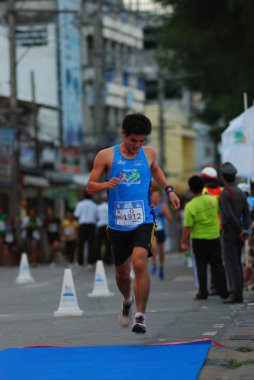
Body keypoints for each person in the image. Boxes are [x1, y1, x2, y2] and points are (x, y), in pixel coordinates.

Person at [86, 113, 180, 334]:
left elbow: (155, 169)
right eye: (133, 140)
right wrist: (105, 185)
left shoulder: (149, 154)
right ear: (123, 134)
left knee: (139, 264)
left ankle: (140, 316)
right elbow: (90, 186)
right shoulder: (106, 156)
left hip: (143, 219)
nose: (138, 145)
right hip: (117, 223)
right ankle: (127, 299)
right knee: (121, 273)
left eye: (142, 141)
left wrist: (169, 190)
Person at [181, 175, 229, 301]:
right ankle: (224, 292)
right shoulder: (213, 200)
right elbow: (219, 214)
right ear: (203, 187)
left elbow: (187, 227)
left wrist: (183, 242)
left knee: (201, 267)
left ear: (191, 189)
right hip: (214, 236)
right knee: (218, 265)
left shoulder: (190, 205)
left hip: (198, 239)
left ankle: (203, 293)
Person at [220, 162, 250, 304]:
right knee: (237, 263)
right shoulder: (241, 193)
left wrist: (238, 229)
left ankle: (235, 294)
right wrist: (244, 229)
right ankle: (238, 293)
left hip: (230, 232)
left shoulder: (226, 193)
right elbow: (247, 214)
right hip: (239, 233)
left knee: (231, 264)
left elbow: (228, 214)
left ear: (223, 177)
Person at [201, 166, 223, 295]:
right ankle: (220, 286)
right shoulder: (222, 190)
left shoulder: (203, 191)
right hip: (221, 228)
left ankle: (214, 286)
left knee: (209, 261)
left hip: (208, 229)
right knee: (219, 260)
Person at [150, 190, 172, 280]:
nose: (155, 198)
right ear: (151, 197)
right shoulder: (149, 206)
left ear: (159, 198)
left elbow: (169, 218)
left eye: (157, 196)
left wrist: (163, 213)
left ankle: (161, 267)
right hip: (152, 231)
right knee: (153, 247)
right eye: (154, 196)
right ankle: (154, 264)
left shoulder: (163, 206)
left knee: (161, 252)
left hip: (161, 230)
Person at [74, 191, 98, 266]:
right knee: (91, 243)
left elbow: (76, 214)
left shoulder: (80, 204)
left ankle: (80, 262)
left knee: (80, 243)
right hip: (91, 225)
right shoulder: (94, 205)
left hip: (82, 225)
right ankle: (90, 262)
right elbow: (97, 216)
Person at [94, 193, 112, 265]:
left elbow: (96, 217)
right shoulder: (110, 206)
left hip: (100, 226)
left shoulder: (98, 207)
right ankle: (107, 259)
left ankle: (98, 259)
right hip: (108, 226)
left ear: (102, 199)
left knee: (98, 243)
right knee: (108, 244)